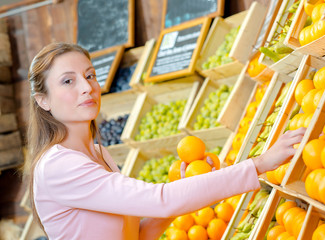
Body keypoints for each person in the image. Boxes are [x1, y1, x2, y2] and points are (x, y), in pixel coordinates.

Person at [25, 42, 306, 240]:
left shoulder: (99, 154)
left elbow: (140, 235)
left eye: (90, 76)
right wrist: (259, 163)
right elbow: (161, 200)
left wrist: (182, 189)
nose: (87, 87)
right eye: (67, 81)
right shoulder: (58, 167)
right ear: (43, 100)